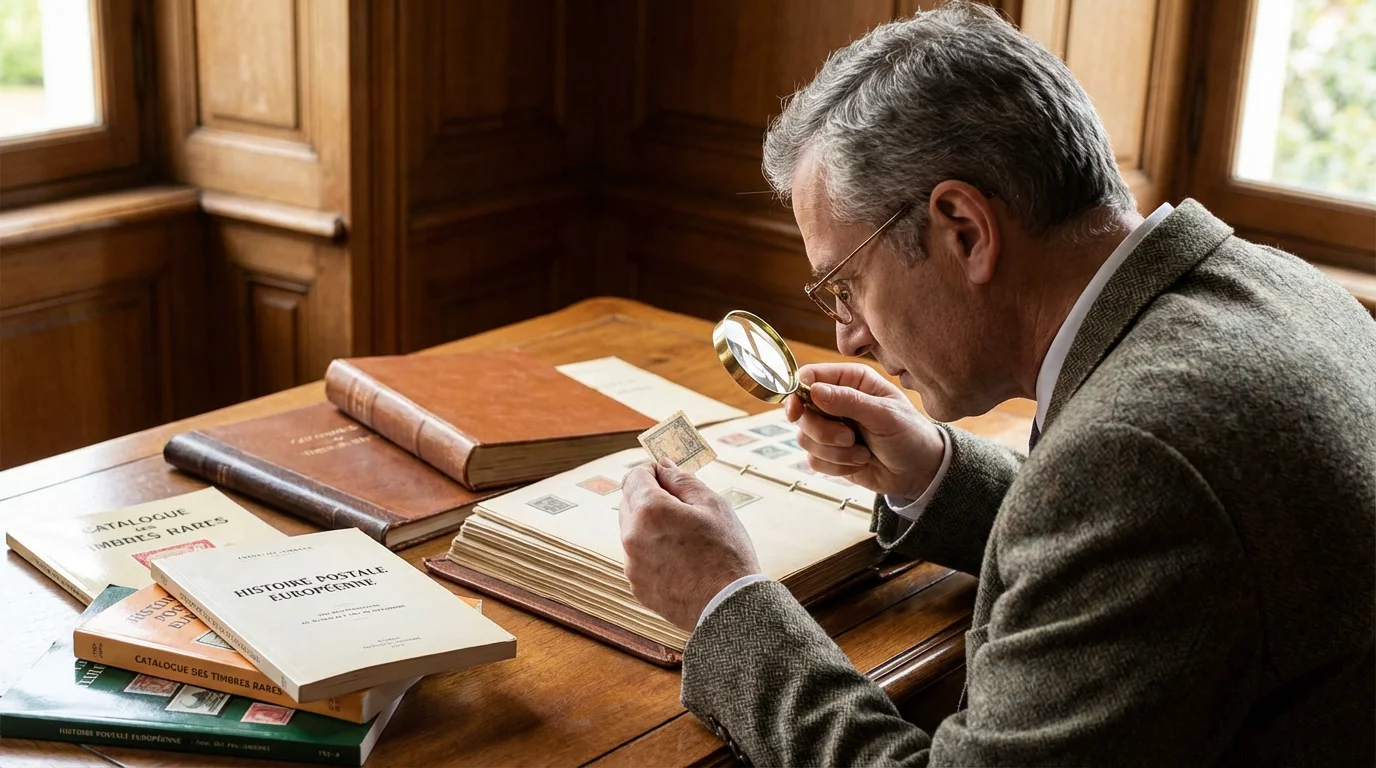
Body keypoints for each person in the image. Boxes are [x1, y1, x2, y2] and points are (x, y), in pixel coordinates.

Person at [617, 2, 1376, 765]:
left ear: (965, 231)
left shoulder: (1136, 458)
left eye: (846, 285)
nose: (849, 334)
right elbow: (1143, 555)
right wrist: (935, 475)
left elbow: (1137, 494)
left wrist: (728, 603)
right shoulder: (1281, 286)